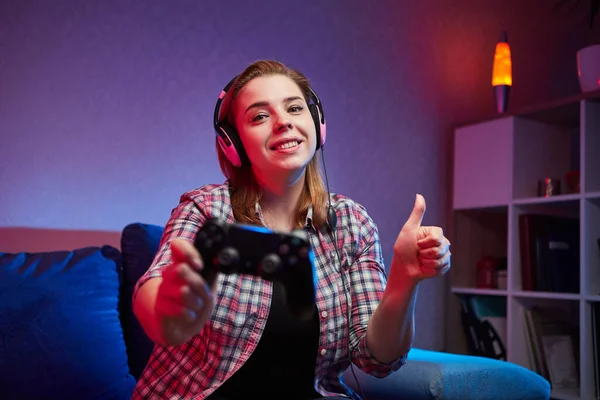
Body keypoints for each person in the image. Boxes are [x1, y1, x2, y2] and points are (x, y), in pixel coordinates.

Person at [131, 59, 451, 400]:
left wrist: (404, 279)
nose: (283, 122)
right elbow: (153, 294)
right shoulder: (205, 209)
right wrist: (171, 311)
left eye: (294, 108)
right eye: (259, 116)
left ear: (317, 123)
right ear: (233, 144)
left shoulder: (351, 223)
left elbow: (377, 360)